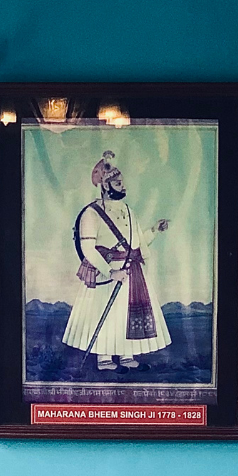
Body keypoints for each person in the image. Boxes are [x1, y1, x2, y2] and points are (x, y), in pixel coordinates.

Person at [62, 152, 172, 370]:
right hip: (107, 272)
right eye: (118, 183)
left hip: (132, 271)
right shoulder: (91, 214)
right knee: (106, 313)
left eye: (123, 183)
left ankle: (126, 356)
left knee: (126, 314)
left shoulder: (129, 211)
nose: (123, 187)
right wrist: (110, 273)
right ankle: (103, 359)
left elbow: (137, 243)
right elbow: (87, 248)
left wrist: (155, 230)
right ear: (104, 186)